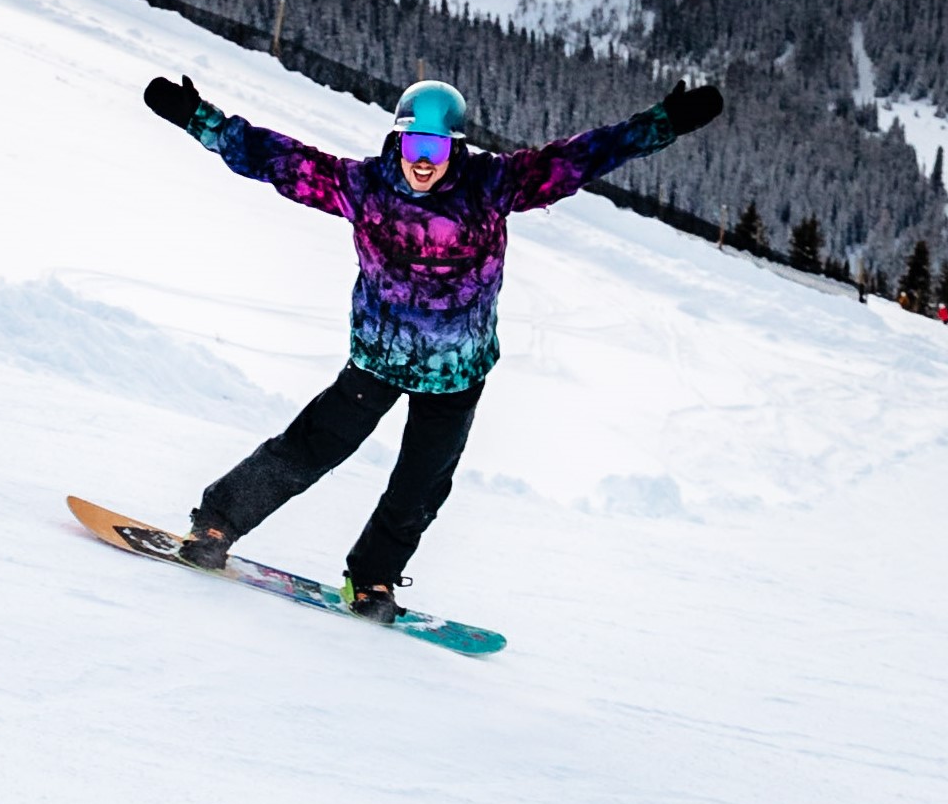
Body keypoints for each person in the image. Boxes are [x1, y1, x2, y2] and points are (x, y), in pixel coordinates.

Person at [143, 69, 723, 620]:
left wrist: (661, 123)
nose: (424, 162)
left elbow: (583, 156)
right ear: (397, 139)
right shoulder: (361, 185)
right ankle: (217, 523)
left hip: (456, 373)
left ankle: (372, 578)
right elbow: (273, 158)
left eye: (438, 149)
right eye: (415, 145)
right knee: (309, 448)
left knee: (420, 485)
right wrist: (201, 119)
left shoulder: (495, 185)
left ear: (456, 148)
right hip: (378, 359)